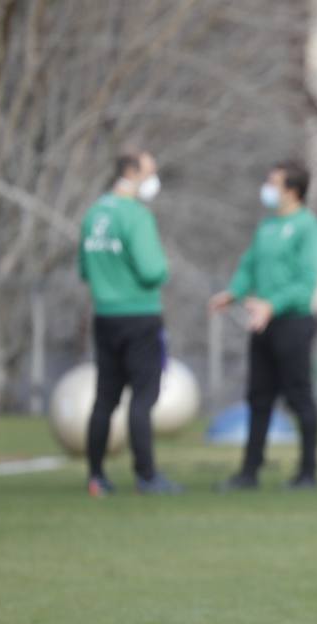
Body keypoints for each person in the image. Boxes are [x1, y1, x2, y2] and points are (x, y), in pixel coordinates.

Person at [210, 161, 317, 491]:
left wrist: (271, 304)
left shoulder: (308, 228)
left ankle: (307, 472)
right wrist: (234, 293)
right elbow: (249, 265)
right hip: (262, 324)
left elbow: (306, 281)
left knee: (299, 397)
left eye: (273, 182)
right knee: (258, 398)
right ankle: (249, 471)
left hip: (292, 322)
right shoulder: (267, 227)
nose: (267, 187)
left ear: (292, 190)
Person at [78, 149, 182, 496]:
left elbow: (84, 269)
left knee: (105, 398)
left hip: (104, 315)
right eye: (150, 171)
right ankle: (147, 475)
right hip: (138, 315)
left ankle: (96, 475)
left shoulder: (94, 213)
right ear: (133, 172)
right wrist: (164, 268)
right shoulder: (135, 215)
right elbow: (153, 271)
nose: (154, 179)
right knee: (142, 397)